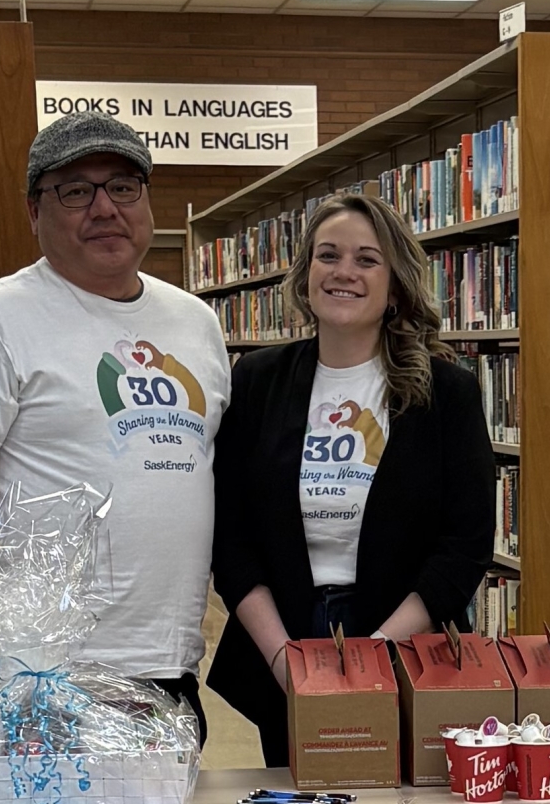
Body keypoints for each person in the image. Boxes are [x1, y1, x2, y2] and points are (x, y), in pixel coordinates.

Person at [0, 110, 230, 741]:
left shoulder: (196, 322)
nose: (105, 208)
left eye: (123, 186)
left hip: (169, 666)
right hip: (46, 674)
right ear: (35, 212)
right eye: (76, 191)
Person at [206, 192, 496, 766]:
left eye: (367, 259)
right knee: (301, 789)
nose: (344, 272)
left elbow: (465, 544)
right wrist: (281, 658)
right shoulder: (258, 382)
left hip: (404, 642)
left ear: (395, 285)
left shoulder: (447, 393)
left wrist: (375, 655)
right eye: (328, 255)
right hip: (284, 637)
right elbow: (231, 536)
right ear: (305, 273)